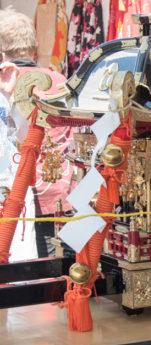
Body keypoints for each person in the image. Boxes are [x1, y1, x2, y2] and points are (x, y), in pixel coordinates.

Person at [0, 8, 73, 261]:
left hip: (22, 197)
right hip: (65, 193)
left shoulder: (6, 84)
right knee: (65, 271)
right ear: (34, 48)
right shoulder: (59, 79)